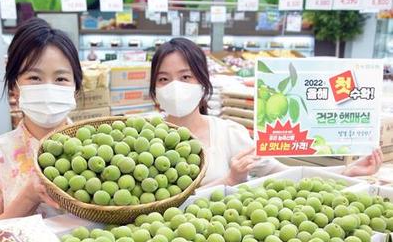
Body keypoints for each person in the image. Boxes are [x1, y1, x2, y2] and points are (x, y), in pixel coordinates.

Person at [149, 38, 382, 187]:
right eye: (163, 79)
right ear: (154, 88)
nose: (175, 86)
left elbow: (285, 174)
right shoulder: (145, 138)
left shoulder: (229, 134)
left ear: (203, 81)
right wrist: (229, 180)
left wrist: (346, 171)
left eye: (186, 76)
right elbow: (153, 204)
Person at [0, 18, 82, 222]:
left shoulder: (99, 148)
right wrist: (28, 198)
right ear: (14, 88)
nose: (48, 87)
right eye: (35, 78)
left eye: (61, 79)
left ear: (76, 88)